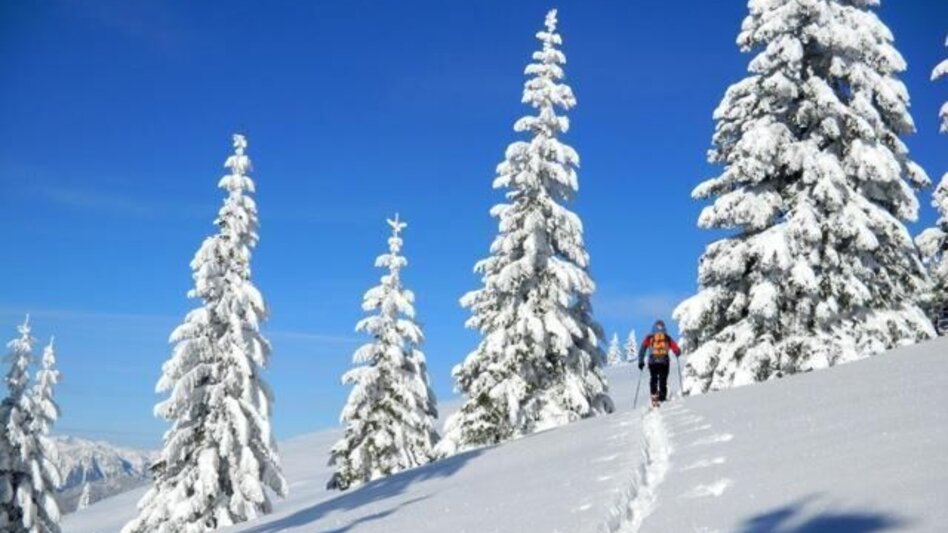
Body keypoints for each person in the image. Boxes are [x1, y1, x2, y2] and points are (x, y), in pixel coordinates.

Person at [638, 320, 681, 407]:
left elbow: (642, 349)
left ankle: (654, 395)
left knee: (653, 378)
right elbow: (676, 348)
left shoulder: (649, 337)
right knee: (663, 380)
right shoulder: (667, 337)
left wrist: (641, 361)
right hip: (664, 362)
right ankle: (662, 398)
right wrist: (677, 352)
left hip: (653, 362)